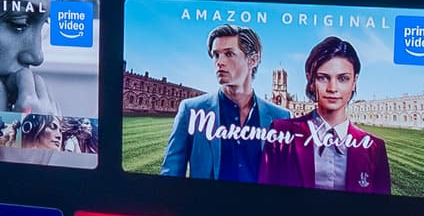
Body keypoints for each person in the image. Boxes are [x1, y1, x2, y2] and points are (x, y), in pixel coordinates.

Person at [261, 36, 394, 194]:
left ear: (354, 82)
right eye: (323, 78)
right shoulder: (281, 133)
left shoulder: (374, 148)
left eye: (343, 78)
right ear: (310, 81)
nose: (332, 88)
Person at [161, 24, 286, 180]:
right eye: (216, 55)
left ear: (252, 60)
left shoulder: (281, 117)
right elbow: (170, 174)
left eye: (229, 54)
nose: (219, 62)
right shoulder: (191, 110)